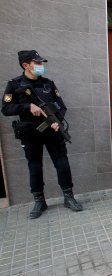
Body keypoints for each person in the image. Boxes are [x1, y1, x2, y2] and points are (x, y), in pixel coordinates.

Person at [1, 50, 83, 219]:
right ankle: (39, 201)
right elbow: (6, 109)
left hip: (52, 130)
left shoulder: (48, 84)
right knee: (34, 166)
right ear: (25, 65)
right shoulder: (15, 85)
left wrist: (56, 121)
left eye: (41, 63)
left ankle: (69, 197)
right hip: (30, 132)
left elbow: (61, 106)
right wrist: (27, 107)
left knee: (62, 163)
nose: (40, 66)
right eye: (37, 63)